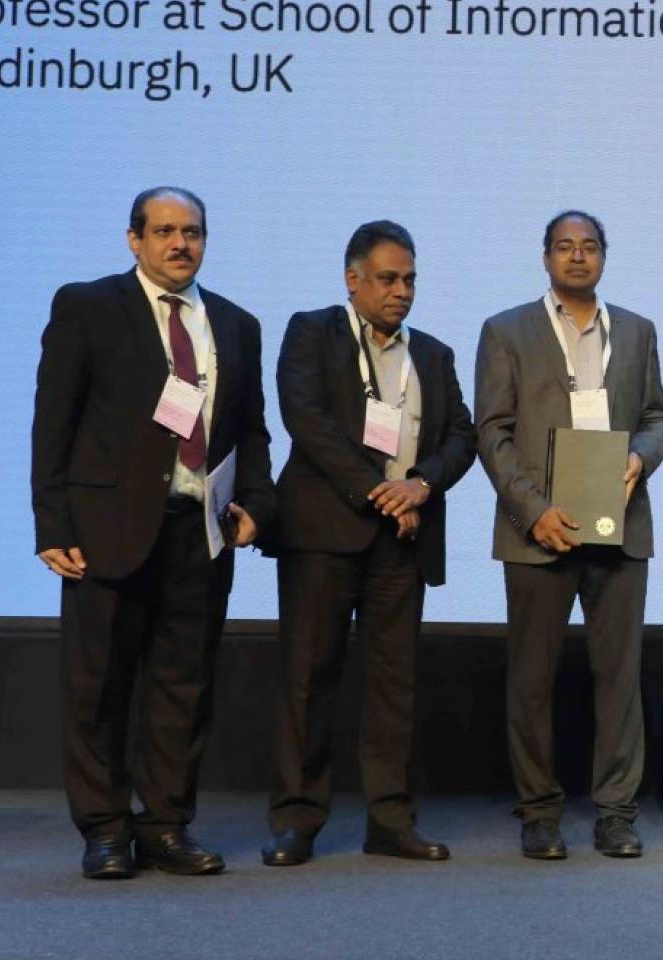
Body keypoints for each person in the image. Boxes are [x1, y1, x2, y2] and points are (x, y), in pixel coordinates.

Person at [31, 186, 276, 879]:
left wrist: (257, 502)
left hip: (199, 532)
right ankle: (105, 829)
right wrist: (52, 522)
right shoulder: (88, 306)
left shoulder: (235, 323)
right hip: (106, 530)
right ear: (134, 239)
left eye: (192, 232)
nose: (179, 244)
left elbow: (252, 428)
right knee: (99, 687)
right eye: (164, 231)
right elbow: (54, 420)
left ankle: (166, 825)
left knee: (184, 687)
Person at [260, 221, 477, 867]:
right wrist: (379, 492)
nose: (401, 291)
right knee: (308, 679)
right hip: (323, 536)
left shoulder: (432, 354)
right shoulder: (311, 331)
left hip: (402, 542)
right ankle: (297, 820)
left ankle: (389, 821)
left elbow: (461, 437)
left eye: (410, 279)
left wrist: (421, 485)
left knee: (393, 686)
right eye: (388, 278)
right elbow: (307, 419)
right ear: (353, 279)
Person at [476, 211, 663, 859]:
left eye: (589, 247)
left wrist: (641, 457)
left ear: (604, 258)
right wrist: (533, 509)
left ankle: (616, 812)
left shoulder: (637, 332)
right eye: (565, 247)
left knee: (618, 676)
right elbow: (493, 431)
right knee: (531, 677)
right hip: (539, 529)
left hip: (619, 527)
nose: (578, 257)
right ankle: (539, 811)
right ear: (546, 258)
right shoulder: (506, 331)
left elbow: (657, 417)